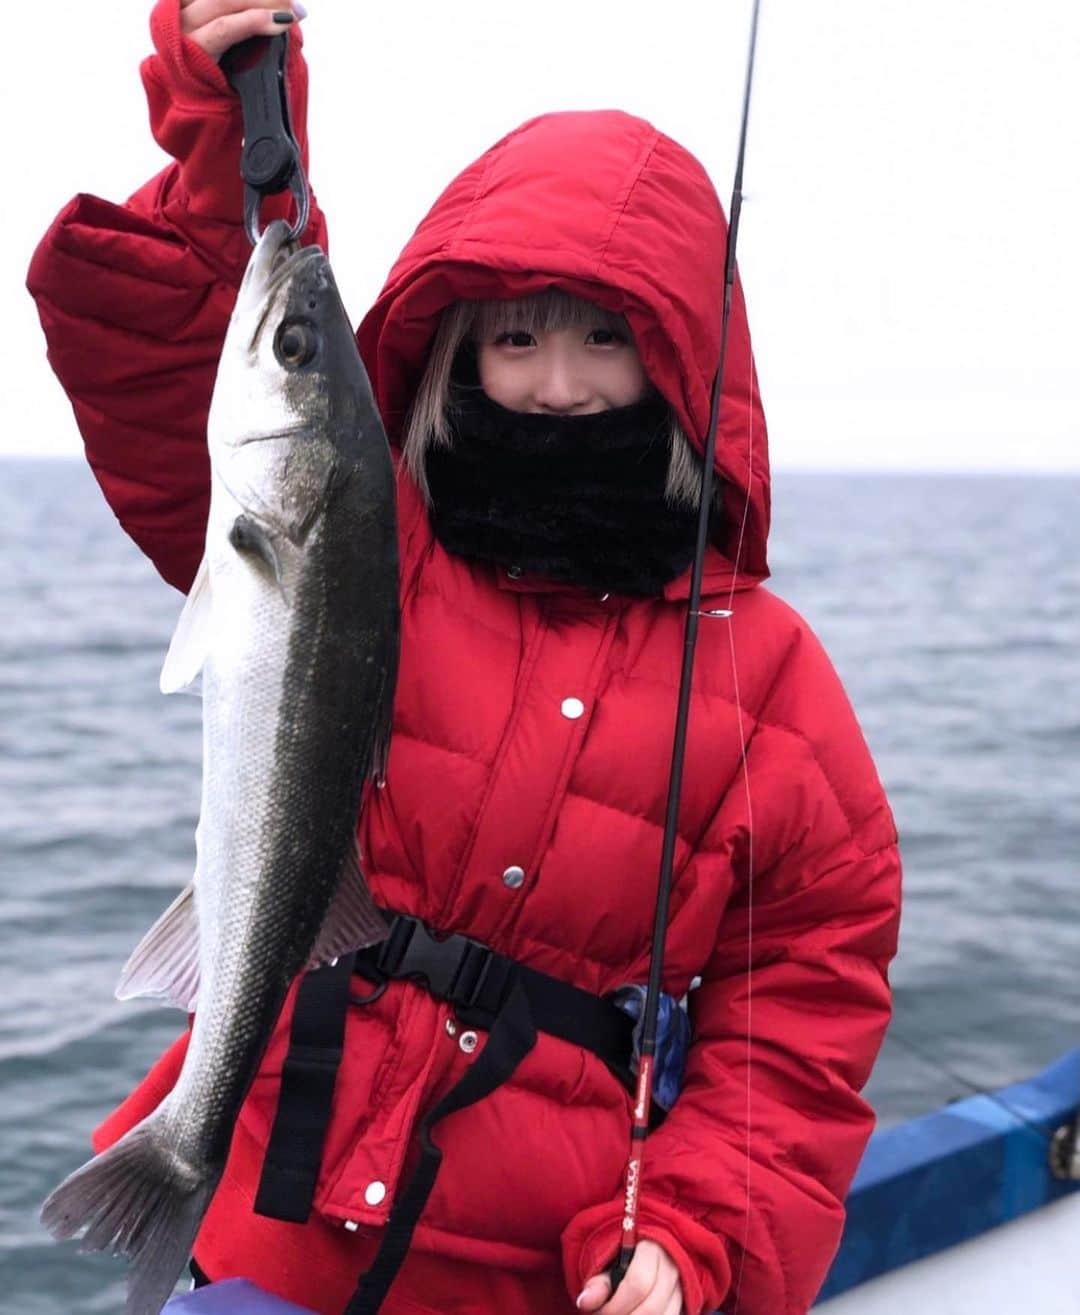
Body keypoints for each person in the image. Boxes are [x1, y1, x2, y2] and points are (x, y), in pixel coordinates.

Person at [27, 3, 902, 1314]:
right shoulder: (369, 539)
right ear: (452, 345)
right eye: (515, 335)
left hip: (544, 1276)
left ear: (685, 360)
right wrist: (230, 139)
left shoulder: (763, 671)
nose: (556, 381)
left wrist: (695, 1230)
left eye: (604, 335)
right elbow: (201, 371)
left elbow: (803, 1012)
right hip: (267, 1231)